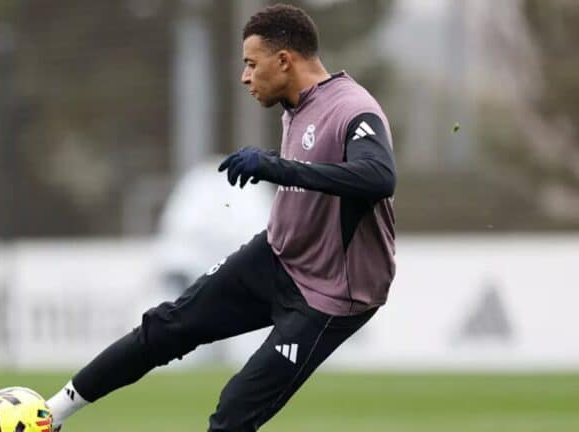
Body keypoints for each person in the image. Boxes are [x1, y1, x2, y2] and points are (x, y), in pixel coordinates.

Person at [46, 4, 396, 431]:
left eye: (251, 64)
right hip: (278, 257)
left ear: (284, 60)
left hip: (330, 295)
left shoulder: (352, 107)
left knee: (234, 411)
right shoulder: (298, 105)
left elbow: (379, 177)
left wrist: (276, 167)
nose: (245, 77)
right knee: (166, 326)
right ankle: (48, 416)